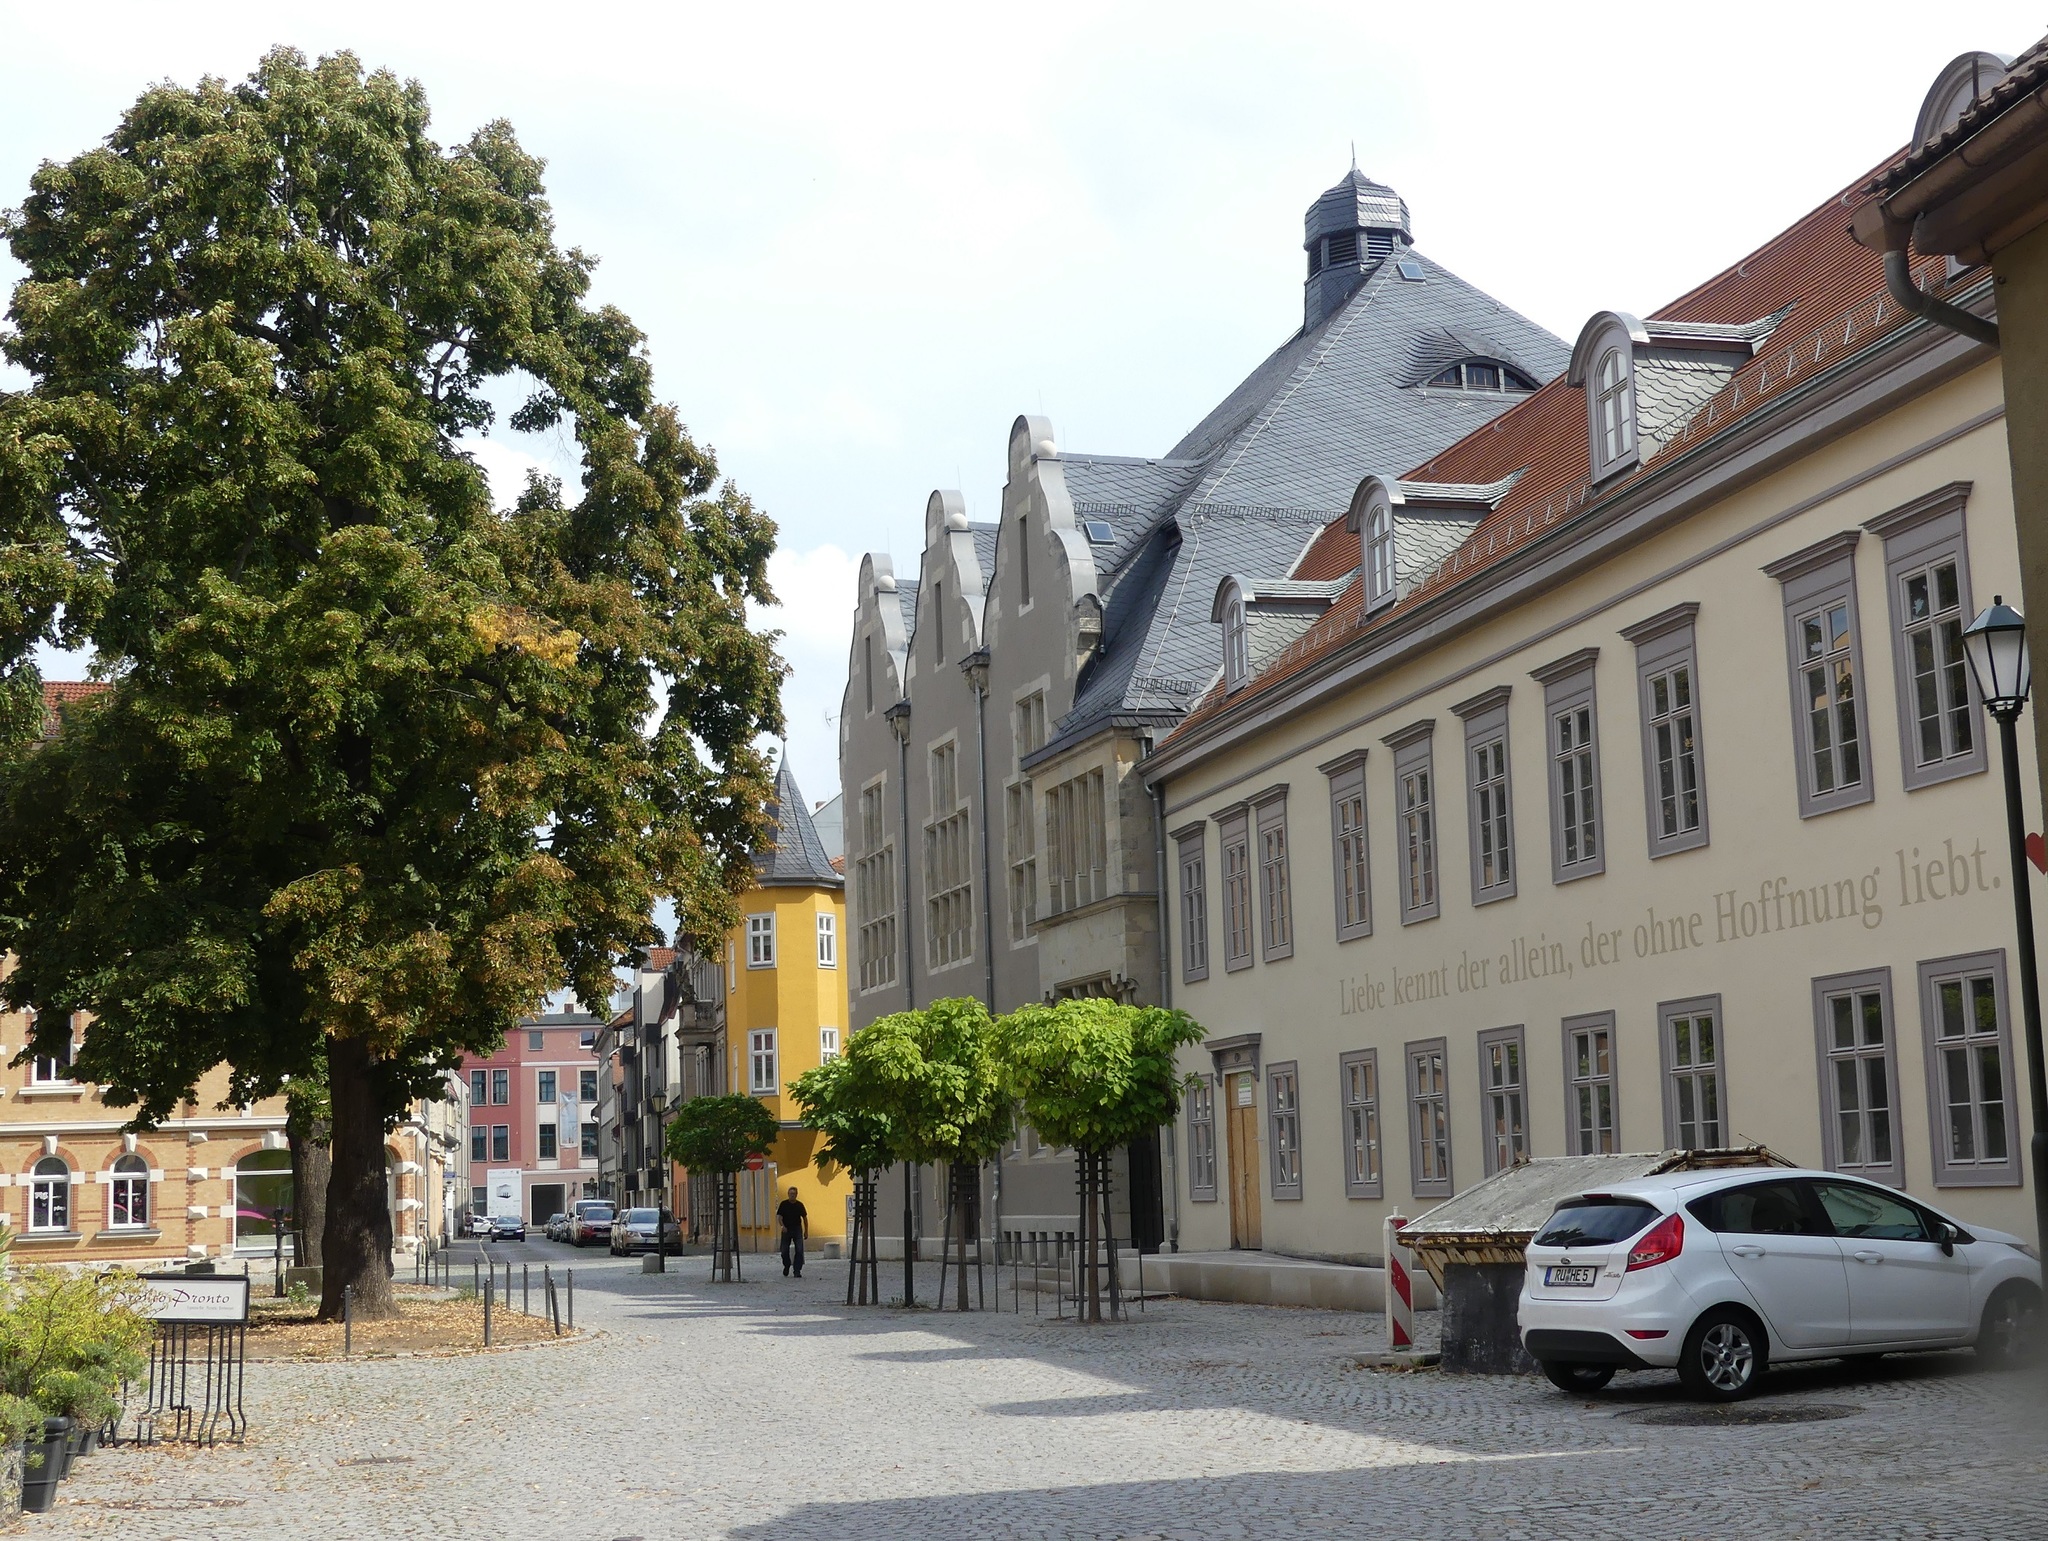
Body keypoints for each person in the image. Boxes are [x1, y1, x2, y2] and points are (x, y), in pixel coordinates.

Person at [776, 1186, 808, 1277]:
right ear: (788, 1194)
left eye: (794, 1194)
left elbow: (805, 1218)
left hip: (797, 1229)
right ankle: (786, 1265)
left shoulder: (800, 1205)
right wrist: (782, 1226)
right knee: (784, 1251)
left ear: (796, 1194)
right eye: (790, 1194)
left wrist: (806, 1231)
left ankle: (797, 1270)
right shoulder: (784, 1204)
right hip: (786, 1229)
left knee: (799, 1250)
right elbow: (779, 1217)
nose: (792, 1195)